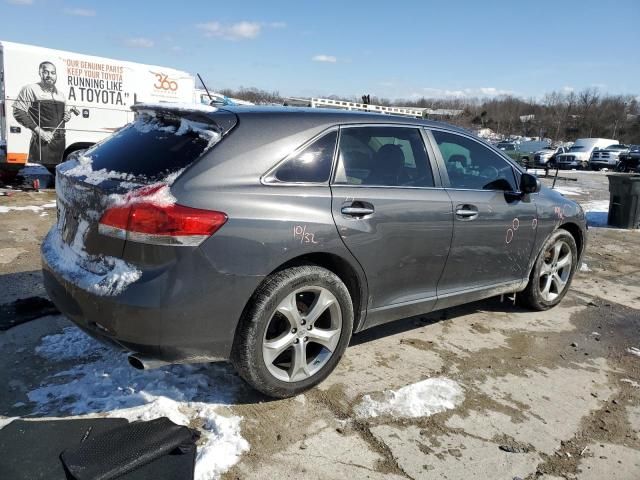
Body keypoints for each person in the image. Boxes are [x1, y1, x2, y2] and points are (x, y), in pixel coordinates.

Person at [12, 61, 71, 165]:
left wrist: (67, 116)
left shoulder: (61, 95)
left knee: (56, 174)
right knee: (40, 174)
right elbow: (18, 111)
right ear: (40, 73)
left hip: (60, 143)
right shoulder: (30, 89)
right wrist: (40, 131)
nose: (50, 76)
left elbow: (64, 115)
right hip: (41, 143)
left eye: (53, 73)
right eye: (46, 72)